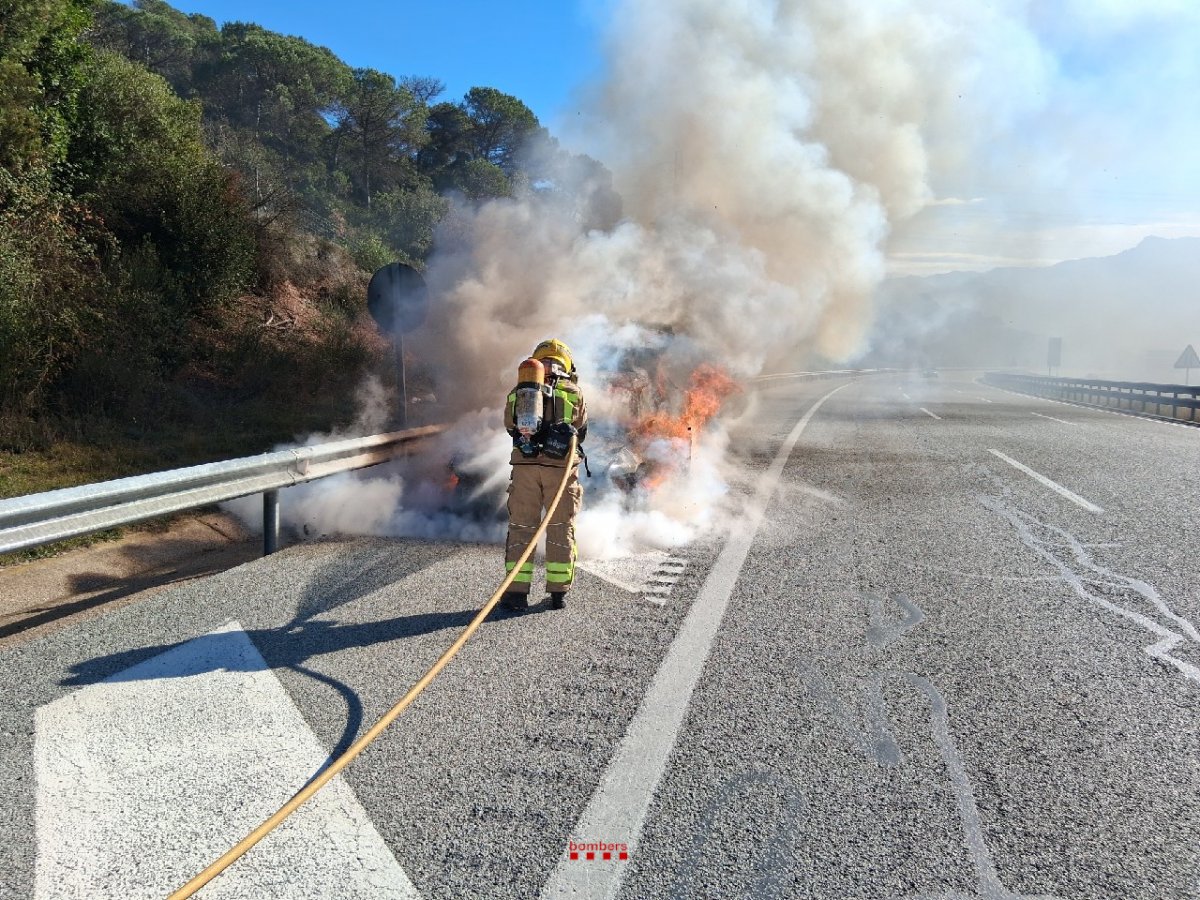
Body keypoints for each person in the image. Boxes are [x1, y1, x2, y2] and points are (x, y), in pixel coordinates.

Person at [500, 338, 588, 612]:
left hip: (525, 469)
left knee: (521, 528)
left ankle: (516, 595)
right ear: (566, 364)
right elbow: (581, 430)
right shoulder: (573, 392)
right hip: (560, 470)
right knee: (560, 528)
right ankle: (558, 594)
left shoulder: (520, 391)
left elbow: (509, 425)